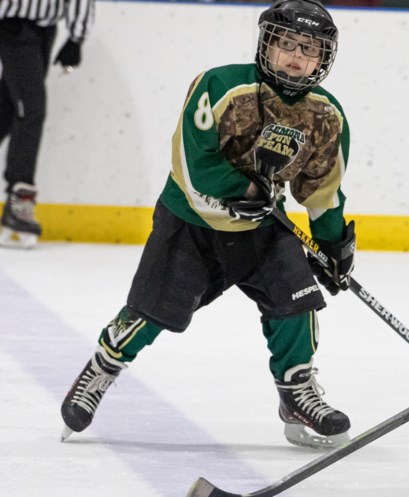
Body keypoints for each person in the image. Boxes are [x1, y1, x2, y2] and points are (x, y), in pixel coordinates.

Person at [61, 0, 357, 450]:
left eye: (311, 49)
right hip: (190, 223)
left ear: (324, 59)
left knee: (296, 301)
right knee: (151, 314)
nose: (298, 56)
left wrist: (332, 247)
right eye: (288, 44)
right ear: (267, 44)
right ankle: (104, 365)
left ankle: (297, 391)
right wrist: (246, 191)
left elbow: (322, 191)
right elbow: (190, 159)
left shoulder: (326, 115)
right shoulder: (220, 85)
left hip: (260, 229)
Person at [0, 0, 94, 249]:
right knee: (31, 111)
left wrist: (77, 37)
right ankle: (20, 200)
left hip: (43, 30)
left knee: (8, 110)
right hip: (12, 27)